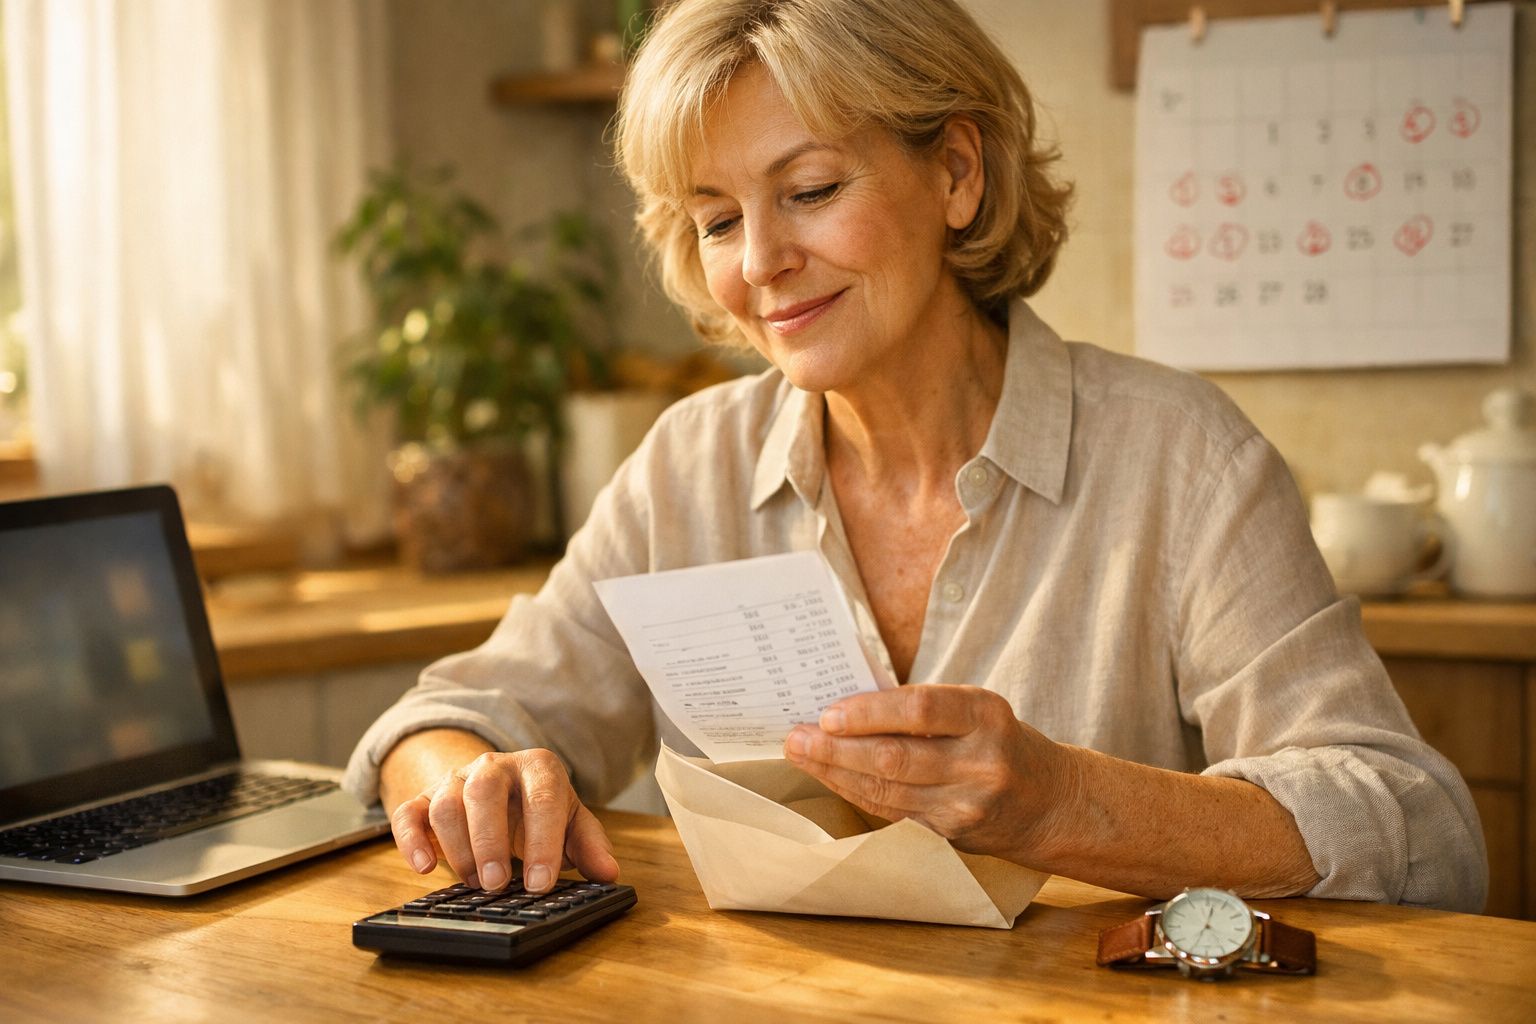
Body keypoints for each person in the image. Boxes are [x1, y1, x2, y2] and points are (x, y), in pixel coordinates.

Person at [345, 0, 1486, 911]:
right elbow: (449, 717)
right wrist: (473, 782)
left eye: (810, 190)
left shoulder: (1183, 459)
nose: (761, 264)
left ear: (956, 174)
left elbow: (1417, 824)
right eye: (717, 218)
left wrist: (1064, 801)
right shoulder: (688, 463)